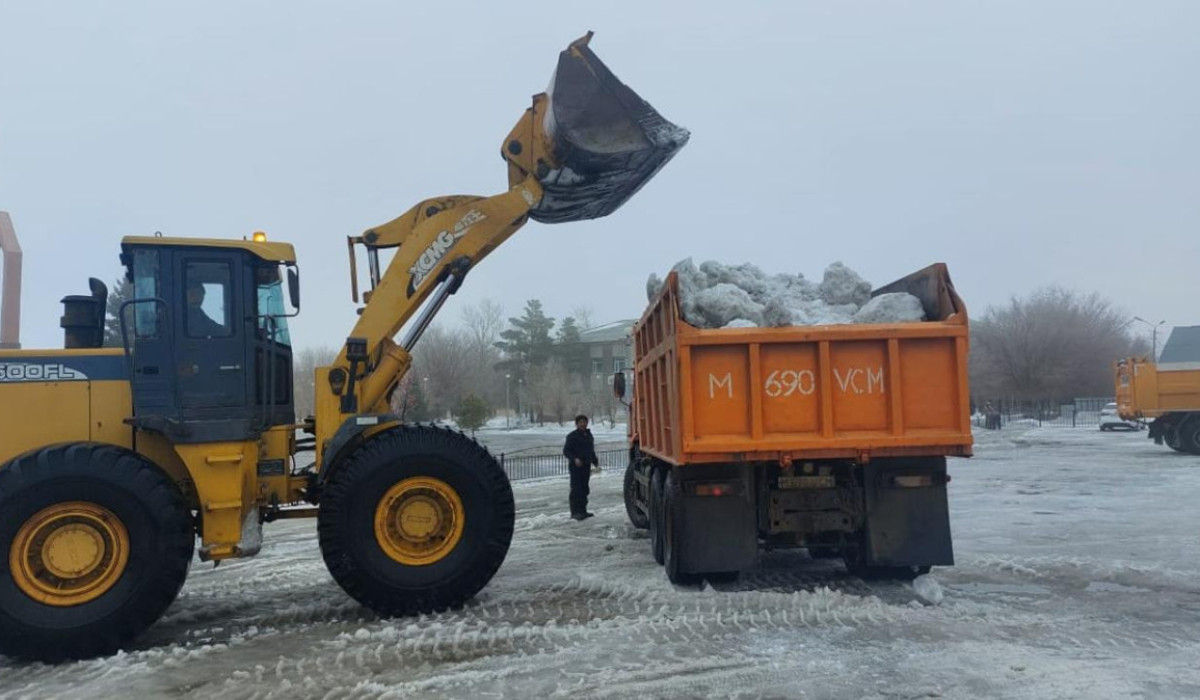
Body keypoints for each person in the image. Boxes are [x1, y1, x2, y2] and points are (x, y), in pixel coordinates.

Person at [563, 414, 599, 520]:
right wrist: (574, 459)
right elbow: (566, 451)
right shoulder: (572, 436)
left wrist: (595, 461)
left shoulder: (588, 435)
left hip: (586, 466)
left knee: (584, 489)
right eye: (581, 422)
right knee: (576, 489)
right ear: (577, 424)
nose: (583, 424)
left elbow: (591, 450)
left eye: (584, 422)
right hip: (576, 467)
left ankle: (583, 510)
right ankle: (575, 512)